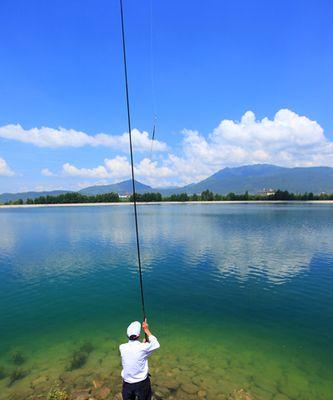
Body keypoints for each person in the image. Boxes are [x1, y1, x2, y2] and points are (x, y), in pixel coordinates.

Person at [120, 319, 160, 400]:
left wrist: (143, 346)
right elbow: (156, 344)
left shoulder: (122, 347)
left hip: (127, 383)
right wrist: (146, 330)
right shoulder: (143, 347)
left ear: (127, 335)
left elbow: (137, 354)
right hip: (142, 383)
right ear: (138, 335)